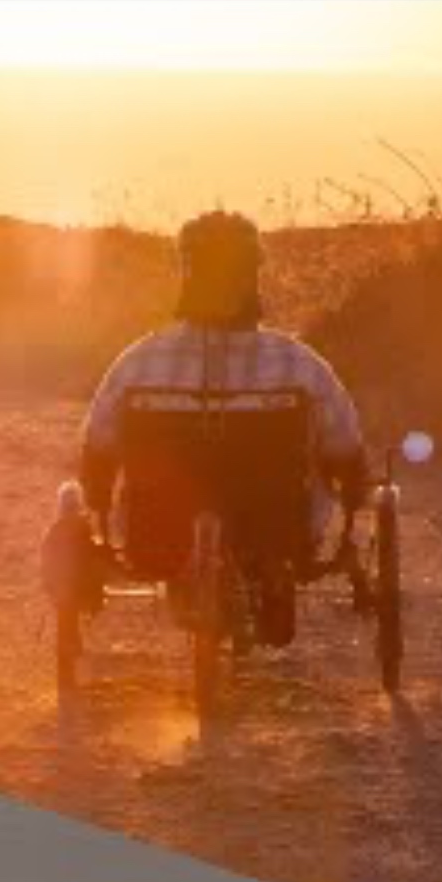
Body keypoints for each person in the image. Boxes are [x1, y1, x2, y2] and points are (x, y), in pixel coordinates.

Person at [72, 210, 371, 643]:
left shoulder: (139, 362)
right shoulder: (299, 364)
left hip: (157, 531)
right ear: (253, 276)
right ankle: (267, 580)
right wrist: (351, 486)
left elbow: (99, 445)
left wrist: (98, 496)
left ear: (187, 273)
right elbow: (343, 445)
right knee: (302, 481)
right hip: (277, 528)